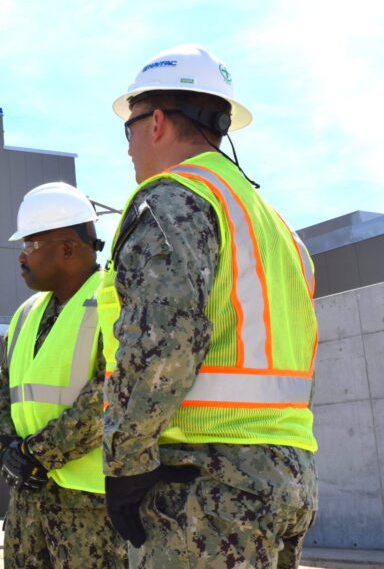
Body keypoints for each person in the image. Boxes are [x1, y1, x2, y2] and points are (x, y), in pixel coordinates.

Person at [101, 44, 318, 568]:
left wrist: (125, 460)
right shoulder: (274, 224)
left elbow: (162, 341)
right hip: (288, 475)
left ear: (155, 123)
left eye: (128, 129)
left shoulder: (172, 199)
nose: (128, 149)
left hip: (208, 484)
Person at [0, 182, 126, 568]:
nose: (22, 256)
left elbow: (113, 390)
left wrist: (36, 454)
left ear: (68, 249)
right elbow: (3, 388)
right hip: (28, 503)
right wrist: (9, 450)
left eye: (31, 244)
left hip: (90, 509)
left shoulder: (115, 298)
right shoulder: (26, 312)